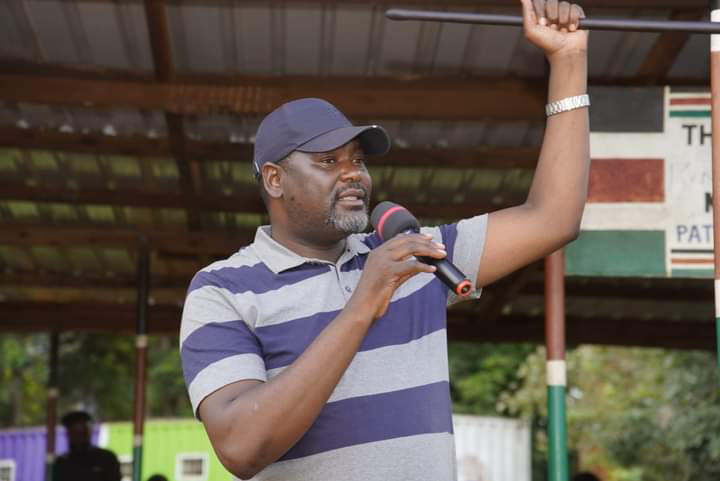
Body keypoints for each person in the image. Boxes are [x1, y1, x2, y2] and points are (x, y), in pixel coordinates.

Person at [180, 0, 589, 479]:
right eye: (328, 161)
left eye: (358, 160)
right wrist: (363, 304)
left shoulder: (413, 255)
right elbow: (241, 448)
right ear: (274, 179)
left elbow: (552, 218)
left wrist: (568, 61)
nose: (353, 173)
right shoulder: (222, 290)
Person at [53, 410, 121, 481]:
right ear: (68, 434)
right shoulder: (61, 463)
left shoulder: (106, 458)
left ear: (89, 432)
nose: (79, 437)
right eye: (75, 432)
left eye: (82, 432)